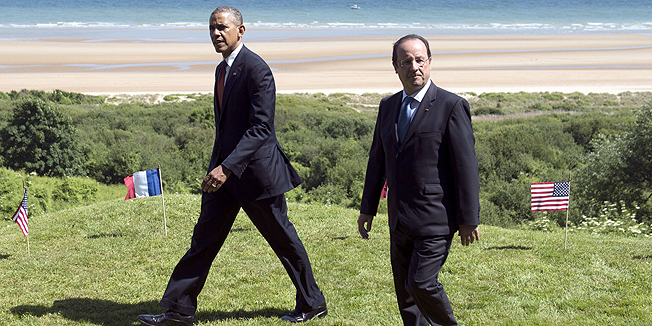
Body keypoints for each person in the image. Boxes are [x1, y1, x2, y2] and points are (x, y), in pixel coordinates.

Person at [137, 6, 326, 325]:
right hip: (224, 177)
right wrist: (217, 168)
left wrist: (226, 167)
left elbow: (261, 128)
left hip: (256, 176)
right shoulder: (221, 70)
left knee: (283, 240)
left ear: (241, 30)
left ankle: (313, 303)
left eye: (222, 27)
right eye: (211, 28)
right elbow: (226, 130)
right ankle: (179, 311)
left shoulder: (257, 69)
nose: (216, 33)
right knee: (203, 240)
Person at [357, 34, 480, 326]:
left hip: (435, 219)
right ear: (395, 67)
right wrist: (367, 209)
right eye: (406, 61)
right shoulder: (387, 107)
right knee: (406, 295)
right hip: (399, 219)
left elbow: (466, 167)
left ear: (430, 62)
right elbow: (378, 161)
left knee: (421, 284)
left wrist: (469, 219)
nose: (414, 67)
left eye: (420, 60)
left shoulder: (451, 106)